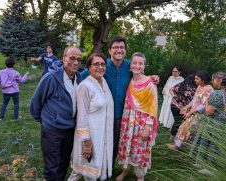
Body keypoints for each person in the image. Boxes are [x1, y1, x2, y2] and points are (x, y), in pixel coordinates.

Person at [80, 36, 159, 165]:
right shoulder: (102, 65)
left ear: (125, 51)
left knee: (115, 142)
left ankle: (108, 167)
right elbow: (83, 75)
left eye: (122, 47)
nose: (119, 50)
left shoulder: (130, 66)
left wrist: (152, 77)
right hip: (101, 113)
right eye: (115, 47)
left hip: (121, 116)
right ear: (110, 50)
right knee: (99, 140)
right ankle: (93, 165)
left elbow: (141, 77)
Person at [30, 47, 82, 181]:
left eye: (78, 59)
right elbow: (36, 102)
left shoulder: (79, 78)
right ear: (64, 58)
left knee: (63, 164)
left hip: (70, 129)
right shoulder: (51, 77)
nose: (75, 62)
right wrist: (45, 121)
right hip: (52, 130)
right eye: (72, 58)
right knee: (52, 167)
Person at [68, 53, 114, 181]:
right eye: (96, 64)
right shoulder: (85, 86)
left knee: (85, 170)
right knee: (86, 170)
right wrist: (87, 144)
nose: (100, 67)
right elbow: (81, 117)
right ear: (89, 67)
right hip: (89, 136)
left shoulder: (103, 82)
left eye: (103, 64)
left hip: (100, 134)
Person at [116, 52, 158, 181]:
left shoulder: (150, 84)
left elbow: (153, 108)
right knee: (127, 146)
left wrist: (147, 128)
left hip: (142, 124)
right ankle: (125, 170)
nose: (137, 65)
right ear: (130, 65)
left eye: (140, 63)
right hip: (128, 121)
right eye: (134, 63)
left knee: (140, 148)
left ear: (144, 66)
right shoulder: (130, 80)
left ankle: (140, 175)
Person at [167, 71, 214, 150]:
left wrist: (191, 112)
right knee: (184, 128)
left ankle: (185, 147)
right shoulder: (199, 86)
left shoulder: (209, 89)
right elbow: (194, 100)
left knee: (191, 131)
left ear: (203, 80)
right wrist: (187, 107)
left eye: (197, 79)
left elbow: (203, 105)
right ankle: (179, 146)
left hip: (200, 114)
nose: (195, 80)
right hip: (192, 112)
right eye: (195, 78)